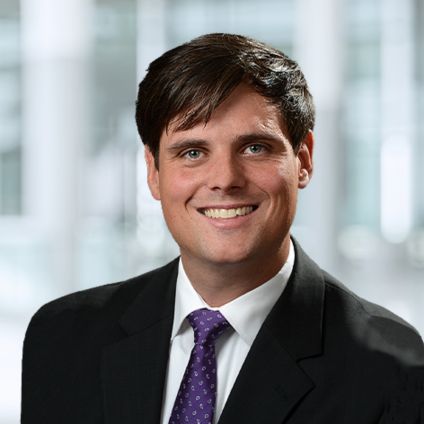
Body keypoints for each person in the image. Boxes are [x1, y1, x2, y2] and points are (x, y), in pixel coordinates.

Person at [22, 33, 424, 424]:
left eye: (255, 148)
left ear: (303, 160)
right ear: (153, 172)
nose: (225, 180)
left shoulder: (389, 367)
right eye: (192, 152)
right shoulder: (62, 336)